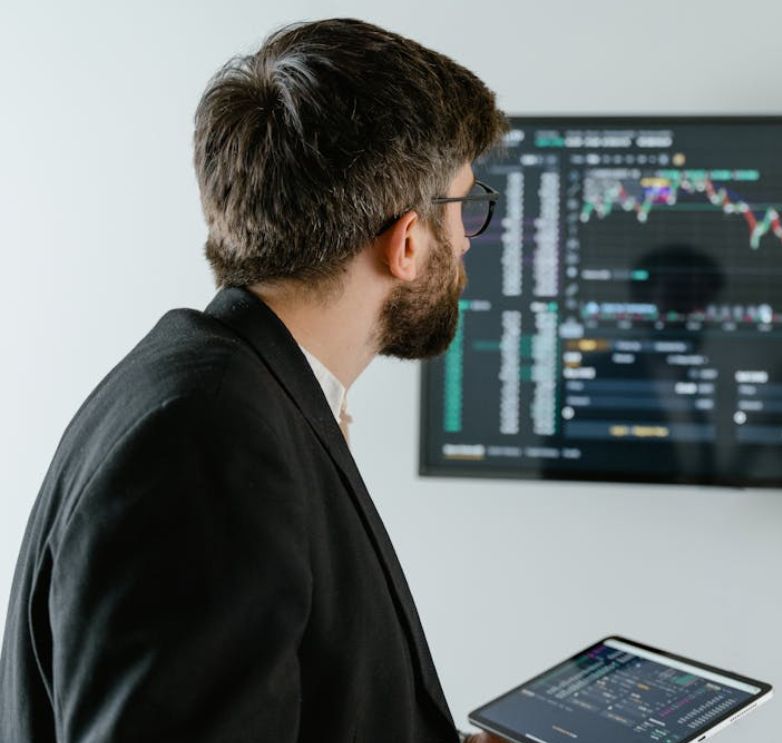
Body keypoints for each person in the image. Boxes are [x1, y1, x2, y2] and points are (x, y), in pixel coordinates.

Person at [1, 18, 510, 743]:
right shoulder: (208, 437)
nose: (466, 239)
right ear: (406, 241)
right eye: (463, 208)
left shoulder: (230, 394)